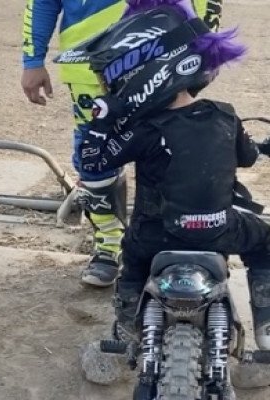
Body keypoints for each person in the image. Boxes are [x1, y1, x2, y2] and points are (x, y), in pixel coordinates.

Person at [54, 1, 270, 349]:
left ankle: (125, 328)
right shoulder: (226, 116)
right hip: (220, 230)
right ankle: (266, 327)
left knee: (133, 264)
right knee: (264, 242)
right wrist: (261, 145)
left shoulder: (143, 130)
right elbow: (247, 156)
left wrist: (101, 124)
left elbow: (93, 163)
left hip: (156, 234)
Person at [21, 0, 223, 287]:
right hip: (90, 68)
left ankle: (173, 242)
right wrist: (33, 60)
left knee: (172, 149)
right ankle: (109, 244)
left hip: (165, 58)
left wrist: (208, 43)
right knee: (95, 157)